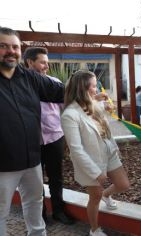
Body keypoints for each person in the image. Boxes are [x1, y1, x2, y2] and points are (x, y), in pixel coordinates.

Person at [0, 27, 64, 236]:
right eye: (3, 46)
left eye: (15, 47)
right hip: (3, 164)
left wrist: (90, 96)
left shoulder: (29, 77)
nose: (11, 51)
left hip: (32, 160)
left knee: (35, 204)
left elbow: (61, 92)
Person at [61, 70, 130, 236]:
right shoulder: (70, 115)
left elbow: (100, 118)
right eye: (93, 86)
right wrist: (95, 172)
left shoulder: (92, 103)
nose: (96, 89)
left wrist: (106, 105)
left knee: (123, 185)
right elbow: (76, 150)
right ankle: (94, 229)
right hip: (91, 160)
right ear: (82, 88)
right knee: (95, 196)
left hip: (109, 153)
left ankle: (107, 195)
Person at [23, 47, 75, 225]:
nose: (46, 66)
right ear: (30, 62)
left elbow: (64, 111)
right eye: (42, 62)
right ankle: (41, 215)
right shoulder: (21, 87)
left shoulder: (54, 83)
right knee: (36, 182)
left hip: (55, 138)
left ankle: (59, 212)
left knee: (56, 177)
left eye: (47, 62)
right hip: (31, 142)